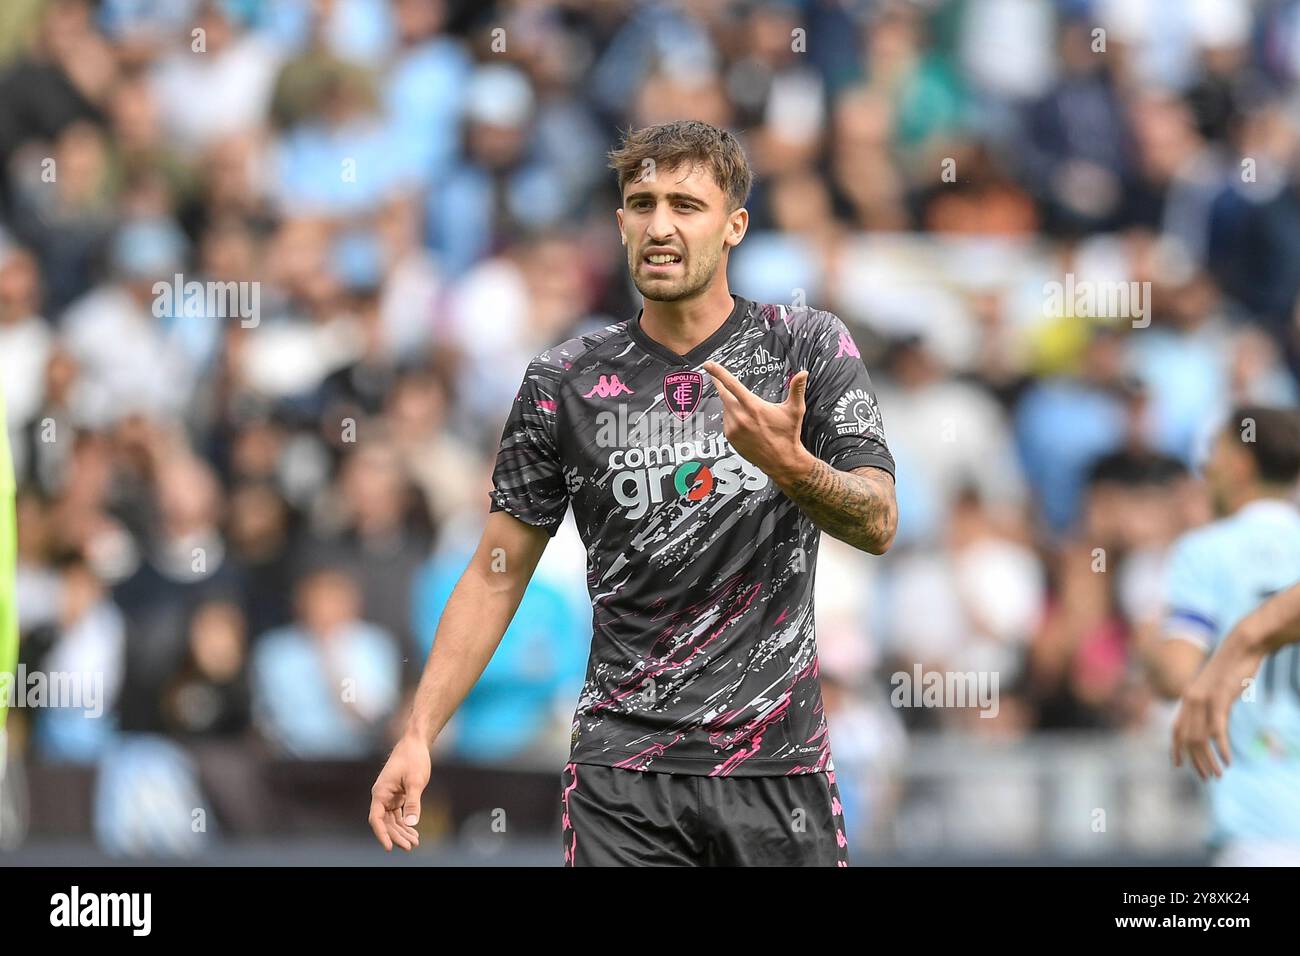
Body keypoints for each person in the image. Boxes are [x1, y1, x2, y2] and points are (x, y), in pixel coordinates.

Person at [368, 119, 898, 866]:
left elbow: (878, 521)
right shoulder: (565, 379)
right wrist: (420, 733)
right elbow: (497, 571)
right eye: (642, 203)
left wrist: (792, 465)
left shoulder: (804, 346)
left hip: (778, 769)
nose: (660, 225)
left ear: (735, 225)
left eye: (686, 205)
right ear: (619, 223)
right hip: (623, 776)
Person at [1146, 405, 1300, 866]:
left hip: (1254, 828)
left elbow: (1176, 674)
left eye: (1213, 454)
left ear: (1240, 465)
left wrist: (1144, 645)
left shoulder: (1205, 551)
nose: (1205, 469)